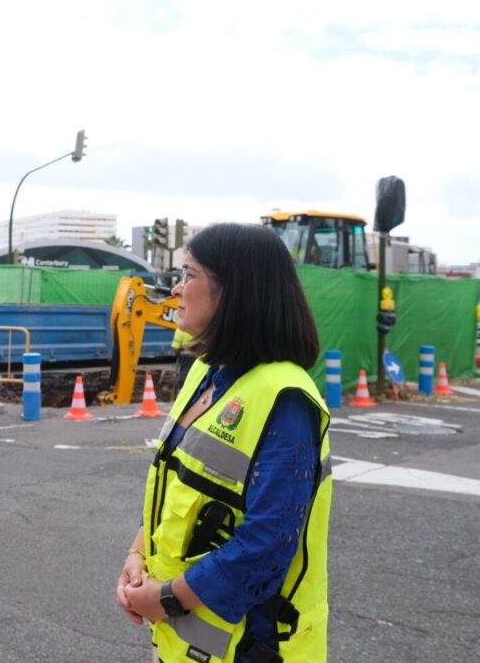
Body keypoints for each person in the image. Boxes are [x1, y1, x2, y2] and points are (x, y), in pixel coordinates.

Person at [116, 223, 332, 662]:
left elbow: (266, 547)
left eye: (189, 275)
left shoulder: (285, 400)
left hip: (252, 648)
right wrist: (137, 554)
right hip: (187, 642)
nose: (177, 290)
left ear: (234, 291)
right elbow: (173, 484)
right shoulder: (204, 373)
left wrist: (166, 599)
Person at [170, 326, 196, 396]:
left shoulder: (181, 330)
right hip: (198, 355)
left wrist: (177, 354)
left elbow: (175, 347)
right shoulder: (198, 326)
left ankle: (182, 394)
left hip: (185, 356)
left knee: (184, 374)